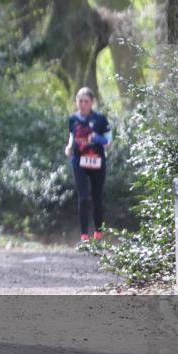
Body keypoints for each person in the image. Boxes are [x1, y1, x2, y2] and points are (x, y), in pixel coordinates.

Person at [65, 87, 113, 244]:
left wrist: (97, 138)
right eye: (80, 101)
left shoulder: (100, 119)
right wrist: (69, 146)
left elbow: (109, 141)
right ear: (76, 102)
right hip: (79, 161)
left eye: (86, 101)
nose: (83, 104)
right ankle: (84, 236)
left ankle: (98, 234)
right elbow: (72, 135)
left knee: (97, 197)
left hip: (97, 161)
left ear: (92, 102)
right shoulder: (73, 119)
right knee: (83, 197)